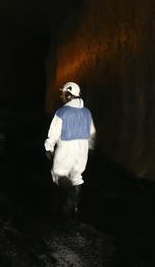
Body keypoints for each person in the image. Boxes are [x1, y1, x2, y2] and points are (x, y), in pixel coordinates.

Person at [44, 81, 96, 217]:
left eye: (62, 93)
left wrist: (48, 148)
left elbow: (53, 134)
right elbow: (92, 133)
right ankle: (75, 207)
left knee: (59, 174)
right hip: (82, 148)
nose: (61, 96)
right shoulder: (87, 112)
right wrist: (89, 148)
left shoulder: (62, 112)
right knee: (77, 177)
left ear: (68, 94)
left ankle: (68, 201)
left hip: (66, 148)